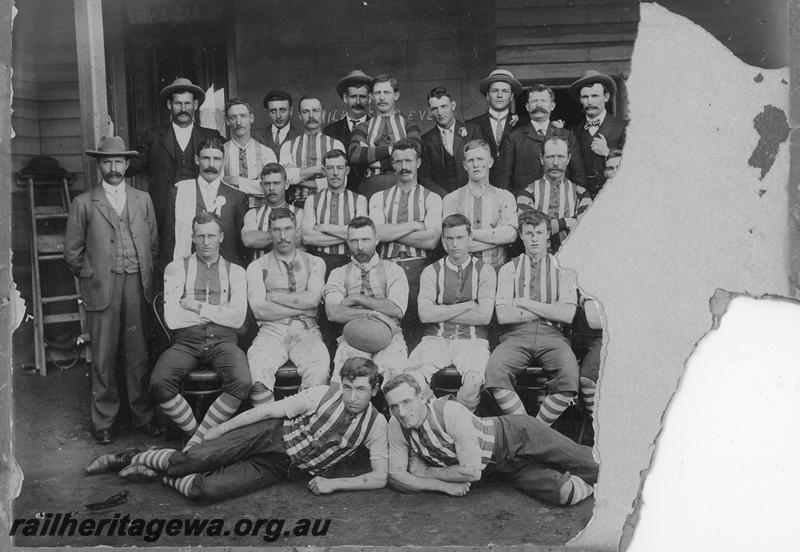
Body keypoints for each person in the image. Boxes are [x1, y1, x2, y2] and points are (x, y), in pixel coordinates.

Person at [89, 358, 387, 502]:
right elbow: (267, 410)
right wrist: (222, 429)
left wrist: (335, 484)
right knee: (190, 460)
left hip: (280, 467)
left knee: (203, 490)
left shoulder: (377, 425)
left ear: (374, 390)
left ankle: (157, 472)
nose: (351, 396)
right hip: (268, 433)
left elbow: (380, 477)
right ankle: (130, 457)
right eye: (347, 387)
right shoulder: (322, 393)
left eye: (360, 389)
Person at [63, 136, 159, 444]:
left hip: (137, 283)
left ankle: (142, 416)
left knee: (138, 355)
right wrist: (91, 276)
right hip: (102, 286)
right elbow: (72, 252)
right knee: (103, 357)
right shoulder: (84, 202)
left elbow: (153, 243)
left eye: (119, 161)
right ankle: (104, 421)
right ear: (99, 165)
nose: (113, 167)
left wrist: (141, 269)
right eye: (107, 161)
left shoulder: (142, 199)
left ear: (128, 164)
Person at [384, 374, 598, 506]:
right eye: (394, 406)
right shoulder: (396, 425)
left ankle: (614, 472)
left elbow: (471, 472)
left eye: (406, 402)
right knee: (564, 493)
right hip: (498, 469)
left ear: (422, 398)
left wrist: (428, 472)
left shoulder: (449, 412)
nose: (401, 412)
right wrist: (442, 485)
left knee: (596, 467)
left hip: (515, 435)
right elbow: (396, 477)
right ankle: (594, 485)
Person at [150, 211, 251, 450]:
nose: (206, 242)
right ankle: (199, 437)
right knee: (159, 382)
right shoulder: (176, 268)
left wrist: (196, 306)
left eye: (211, 236)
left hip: (224, 340)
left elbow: (237, 320)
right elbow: (173, 319)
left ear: (221, 237)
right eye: (201, 236)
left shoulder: (236, 272)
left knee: (242, 381)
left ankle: (195, 441)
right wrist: (219, 311)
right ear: (193, 237)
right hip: (186, 340)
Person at [485, 210, 580, 427]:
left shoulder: (564, 268)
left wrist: (524, 302)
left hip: (552, 336)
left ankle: (534, 431)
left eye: (539, 232)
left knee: (569, 376)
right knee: (494, 370)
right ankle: (532, 430)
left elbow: (567, 314)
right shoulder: (509, 268)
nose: (534, 238)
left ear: (548, 234)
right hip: (516, 336)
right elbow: (504, 315)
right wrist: (550, 308)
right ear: (521, 235)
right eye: (529, 233)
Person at [405, 214, 496, 412]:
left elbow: (484, 316)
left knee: (473, 383)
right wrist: (467, 305)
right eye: (449, 238)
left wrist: (441, 312)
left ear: (470, 237)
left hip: (472, 341)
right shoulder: (431, 271)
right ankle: (438, 416)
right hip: (435, 340)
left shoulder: (485, 271)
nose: (454, 244)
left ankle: (455, 423)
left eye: (460, 237)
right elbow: (425, 315)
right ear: (443, 240)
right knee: (410, 380)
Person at [246, 208, 329, 406]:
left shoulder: (315, 262)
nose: (283, 236)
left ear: (296, 230)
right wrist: (302, 307)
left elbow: (313, 300)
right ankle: (270, 428)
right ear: (269, 231)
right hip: (271, 331)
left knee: (319, 371)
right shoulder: (256, 266)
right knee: (256, 369)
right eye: (276, 230)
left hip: (307, 330)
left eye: (288, 229)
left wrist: (274, 297)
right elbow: (260, 310)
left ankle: (303, 429)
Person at [369, 139, 442, 348]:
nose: (404, 167)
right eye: (398, 161)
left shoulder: (432, 198)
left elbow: (431, 240)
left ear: (418, 162)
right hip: (386, 270)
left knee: (417, 333)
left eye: (408, 160)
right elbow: (378, 235)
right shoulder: (378, 198)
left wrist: (391, 230)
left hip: (419, 271)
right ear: (392, 165)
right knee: (386, 331)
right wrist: (415, 224)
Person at [127, 77, 222, 231]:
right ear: (169, 105)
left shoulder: (210, 136)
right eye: (178, 103)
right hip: (164, 213)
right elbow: (131, 167)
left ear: (195, 105)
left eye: (187, 103)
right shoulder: (153, 136)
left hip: (200, 210)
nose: (183, 108)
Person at [324, 216, 409, 383]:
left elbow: (396, 309)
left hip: (390, 336)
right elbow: (333, 313)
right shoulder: (338, 274)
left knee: (395, 375)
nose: (360, 246)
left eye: (365, 240)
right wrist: (374, 312)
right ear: (347, 242)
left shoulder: (393, 270)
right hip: (352, 339)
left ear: (376, 239)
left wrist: (357, 298)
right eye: (354, 241)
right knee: (346, 380)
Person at [163, 136, 249, 267]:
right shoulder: (179, 192)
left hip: (226, 271)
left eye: (217, 159)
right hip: (188, 270)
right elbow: (169, 239)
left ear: (224, 162)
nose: (211, 165)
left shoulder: (237, 197)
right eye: (206, 158)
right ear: (197, 160)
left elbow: (240, 244)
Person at [442, 139, 517, 271]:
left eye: (480, 159)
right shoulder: (451, 199)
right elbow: (448, 244)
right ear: (465, 165)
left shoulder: (505, 197)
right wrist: (497, 240)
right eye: (471, 160)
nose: (476, 164)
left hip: (497, 272)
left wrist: (466, 234)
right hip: (462, 273)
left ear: (490, 162)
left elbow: (510, 235)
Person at [495, 84, 585, 193]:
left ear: (552, 106)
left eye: (543, 101)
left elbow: (578, 175)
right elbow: (504, 179)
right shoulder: (514, 138)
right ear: (527, 107)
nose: (538, 105)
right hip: (524, 204)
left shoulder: (567, 136)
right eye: (534, 101)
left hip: (560, 203)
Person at [348, 74, 421, 198]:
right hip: (370, 187)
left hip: (403, 184)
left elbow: (414, 152)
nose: (382, 98)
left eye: (386, 92)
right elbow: (355, 154)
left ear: (396, 96)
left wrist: (377, 162)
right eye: (377, 93)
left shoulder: (409, 125)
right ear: (371, 97)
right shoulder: (363, 127)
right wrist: (391, 150)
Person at [516, 136, 592, 253]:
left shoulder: (581, 193)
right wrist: (566, 223)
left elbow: (586, 228)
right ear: (541, 158)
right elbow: (529, 228)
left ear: (568, 159)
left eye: (561, 156)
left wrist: (545, 227)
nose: (555, 163)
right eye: (550, 157)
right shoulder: (526, 193)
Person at [301, 149, 368, 276]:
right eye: (330, 168)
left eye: (340, 168)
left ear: (347, 171)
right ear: (323, 170)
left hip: (350, 261)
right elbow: (307, 238)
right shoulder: (312, 200)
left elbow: (360, 234)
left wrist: (325, 228)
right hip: (319, 262)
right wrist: (348, 236)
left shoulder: (359, 200)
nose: (335, 173)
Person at [569, 70, 627, 198]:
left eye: (595, 96)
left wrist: (608, 152)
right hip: (584, 200)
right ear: (580, 100)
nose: (590, 102)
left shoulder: (624, 128)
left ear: (605, 97)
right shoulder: (573, 132)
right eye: (585, 97)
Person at [279, 95, 345, 208]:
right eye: (305, 111)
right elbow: (284, 177)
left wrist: (302, 179)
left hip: (329, 204)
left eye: (315, 111)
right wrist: (318, 169)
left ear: (323, 114)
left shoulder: (335, 145)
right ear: (299, 115)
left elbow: (341, 179)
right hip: (295, 205)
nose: (311, 115)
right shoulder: (288, 146)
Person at [418, 86, 484, 197]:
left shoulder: (473, 131)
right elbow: (425, 177)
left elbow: (481, 165)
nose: (439, 112)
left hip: (472, 195)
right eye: (435, 109)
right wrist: (446, 198)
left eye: (444, 106)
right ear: (430, 111)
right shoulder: (426, 140)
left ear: (452, 106)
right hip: (442, 199)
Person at [466, 69, 523, 183]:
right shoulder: (471, 125)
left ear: (511, 96)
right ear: (487, 95)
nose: (500, 95)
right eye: (495, 91)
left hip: (513, 189)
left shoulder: (523, 124)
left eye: (505, 91)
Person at [323, 70, 373, 193]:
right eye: (353, 97)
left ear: (370, 98)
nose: (357, 102)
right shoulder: (330, 131)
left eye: (362, 97)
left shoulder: (377, 128)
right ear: (345, 98)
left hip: (371, 192)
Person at [240, 163, 303, 260]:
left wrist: (262, 237)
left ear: (286, 185)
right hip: (261, 272)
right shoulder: (253, 214)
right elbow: (248, 240)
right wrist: (286, 236)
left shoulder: (299, 213)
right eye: (267, 183)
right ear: (261, 185)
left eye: (276, 183)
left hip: (290, 271)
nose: (271, 188)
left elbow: (300, 242)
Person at [221, 98, 278, 196]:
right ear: (227, 121)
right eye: (233, 117)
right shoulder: (221, 152)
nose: (238, 122)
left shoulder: (266, 152)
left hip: (260, 209)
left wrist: (237, 182)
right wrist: (256, 185)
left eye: (243, 116)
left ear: (251, 118)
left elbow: (272, 187)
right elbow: (218, 187)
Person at [261, 89, 300, 159]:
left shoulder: (300, 136)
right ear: (268, 113)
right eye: (273, 111)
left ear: (291, 111)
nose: (278, 116)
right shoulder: (256, 137)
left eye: (282, 110)